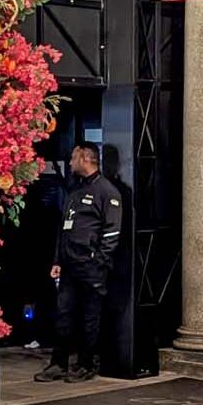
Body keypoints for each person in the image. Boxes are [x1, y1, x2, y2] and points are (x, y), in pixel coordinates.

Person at [34, 142, 123, 382]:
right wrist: (57, 260)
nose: (70, 163)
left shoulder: (107, 192)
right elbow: (64, 229)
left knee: (89, 317)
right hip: (69, 265)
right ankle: (58, 363)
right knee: (63, 314)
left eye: (74, 158)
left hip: (91, 266)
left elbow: (112, 232)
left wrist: (99, 260)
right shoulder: (74, 191)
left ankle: (86, 364)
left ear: (85, 158)